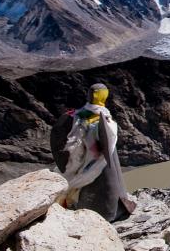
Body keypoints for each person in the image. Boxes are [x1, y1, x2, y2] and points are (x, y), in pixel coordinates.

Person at [51, 83, 136, 222]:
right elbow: (108, 139)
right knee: (109, 183)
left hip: (85, 159)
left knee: (91, 185)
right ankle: (108, 212)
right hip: (102, 160)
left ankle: (88, 207)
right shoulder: (102, 116)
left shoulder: (78, 114)